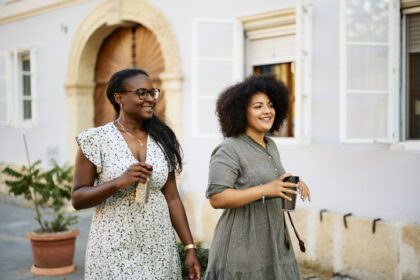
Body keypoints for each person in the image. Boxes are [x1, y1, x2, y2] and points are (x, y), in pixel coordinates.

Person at [72, 68, 201, 280]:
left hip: (158, 246)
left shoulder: (163, 138)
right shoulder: (96, 139)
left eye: (153, 93)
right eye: (142, 93)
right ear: (119, 97)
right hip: (113, 246)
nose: (150, 99)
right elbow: (78, 199)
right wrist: (118, 182)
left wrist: (189, 247)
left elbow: (173, 198)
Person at [204, 75, 311, 280]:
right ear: (241, 112)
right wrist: (265, 190)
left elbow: (273, 179)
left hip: (274, 241)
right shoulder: (229, 149)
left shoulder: (270, 145)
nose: (267, 111)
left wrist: (293, 182)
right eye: (258, 106)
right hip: (242, 245)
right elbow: (217, 198)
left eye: (270, 105)